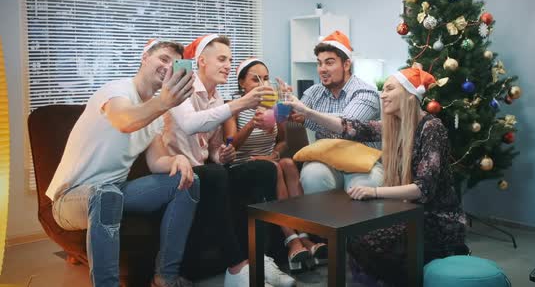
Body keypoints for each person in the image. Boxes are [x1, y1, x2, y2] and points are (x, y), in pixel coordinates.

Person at [285, 65, 466, 286]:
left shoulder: (432, 128)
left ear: (409, 94)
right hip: (408, 211)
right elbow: (349, 128)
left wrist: (374, 191)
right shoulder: (394, 126)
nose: (383, 94)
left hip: (436, 220)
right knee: (356, 234)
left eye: (390, 89)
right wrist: (307, 111)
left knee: (367, 238)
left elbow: (423, 188)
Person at [46, 39, 200, 287]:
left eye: (174, 63)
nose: (167, 66)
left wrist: (177, 158)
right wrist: (164, 102)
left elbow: (157, 161)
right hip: (70, 199)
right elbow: (124, 121)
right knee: (106, 194)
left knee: (187, 182)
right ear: (145, 58)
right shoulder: (116, 90)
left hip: (116, 192)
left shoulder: (157, 114)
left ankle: (165, 277)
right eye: (163, 58)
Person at [161, 34, 295, 287]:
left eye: (230, 60)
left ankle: (259, 259)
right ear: (201, 61)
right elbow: (190, 124)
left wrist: (221, 154)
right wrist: (241, 104)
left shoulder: (216, 98)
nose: (227, 65)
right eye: (221, 59)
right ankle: (236, 269)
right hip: (177, 171)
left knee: (263, 169)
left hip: (206, 172)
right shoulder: (180, 89)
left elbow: (213, 149)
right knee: (216, 174)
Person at [223, 57, 327, 271]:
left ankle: (305, 234)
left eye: (266, 79)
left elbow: (283, 142)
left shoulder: (273, 106)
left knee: (287, 163)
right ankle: (292, 240)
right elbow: (231, 144)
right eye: (255, 79)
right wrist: (252, 123)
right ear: (242, 83)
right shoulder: (232, 108)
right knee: (277, 167)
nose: (263, 84)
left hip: (269, 162)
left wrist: (273, 155)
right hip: (243, 165)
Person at [292, 30, 383, 194]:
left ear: (346, 65)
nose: (322, 69)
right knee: (312, 175)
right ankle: (321, 220)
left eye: (329, 62)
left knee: (363, 186)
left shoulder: (366, 93)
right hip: (326, 159)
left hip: (363, 161)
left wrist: (308, 114)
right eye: (319, 63)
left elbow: (346, 126)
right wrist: (286, 103)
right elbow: (297, 115)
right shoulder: (314, 92)